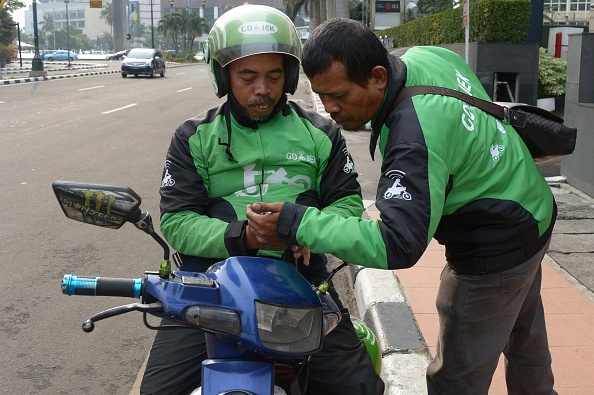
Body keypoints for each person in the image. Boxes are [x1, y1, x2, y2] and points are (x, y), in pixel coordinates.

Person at [246, 18, 558, 395]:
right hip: (533, 209)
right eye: (322, 95)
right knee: (524, 338)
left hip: (498, 246)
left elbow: (398, 243)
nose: (329, 108)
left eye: (340, 95)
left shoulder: (414, 138)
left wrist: (298, 222)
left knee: (456, 378)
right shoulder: (423, 57)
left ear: (378, 76)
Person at [140, 7, 385, 395]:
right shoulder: (193, 137)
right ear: (223, 76)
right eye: (247, 76)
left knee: (359, 388)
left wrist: (310, 232)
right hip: (209, 282)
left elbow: (346, 203)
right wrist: (246, 237)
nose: (262, 89)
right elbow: (177, 220)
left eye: (274, 76)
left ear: (289, 77)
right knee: (157, 390)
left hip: (301, 278)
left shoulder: (321, 134)